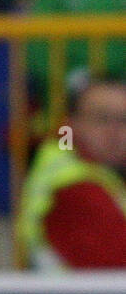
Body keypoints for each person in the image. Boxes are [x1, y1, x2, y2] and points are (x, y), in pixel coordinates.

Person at [17, 76, 126, 270]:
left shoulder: (101, 174)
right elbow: (115, 266)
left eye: (123, 120)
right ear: (71, 125)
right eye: (102, 119)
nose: (115, 131)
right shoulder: (75, 187)